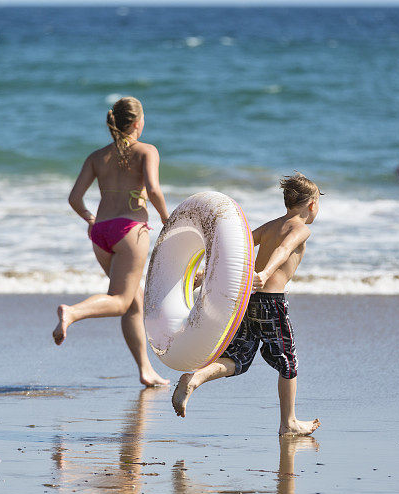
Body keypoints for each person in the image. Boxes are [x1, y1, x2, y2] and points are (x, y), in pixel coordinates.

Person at [171, 172, 322, 436]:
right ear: (312, 205)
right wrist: (265, 274)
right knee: (288, 362)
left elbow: (236, 250)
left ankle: (195, 377)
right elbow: (284, 250)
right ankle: (289, 423)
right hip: (271, 302)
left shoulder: (271, 225)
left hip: (247, 301)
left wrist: (202, 273)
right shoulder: (301, 229)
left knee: (238, 357)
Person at [52, 96, 170, 387]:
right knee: (120, 301)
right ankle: (72, 312)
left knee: (133, 301)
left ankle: (145, 370)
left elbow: (74, 198)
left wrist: (92, 220)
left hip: (101, 232)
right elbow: (153, 190)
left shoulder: (96, 157)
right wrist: (169, 221)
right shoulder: (147, 151)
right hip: (130, 231)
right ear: (136, 123)